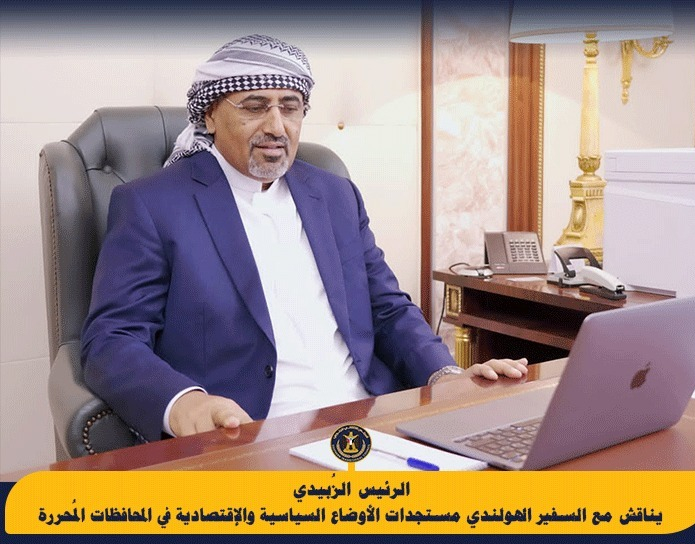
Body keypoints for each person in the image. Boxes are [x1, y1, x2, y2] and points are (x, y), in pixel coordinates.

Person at [81, 34, 528, 443]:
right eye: (255, 106)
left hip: (371, 422)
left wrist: (445, 377)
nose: (277, 126)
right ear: (211, 115)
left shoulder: (334, 195)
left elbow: (387, 308)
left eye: (290, 107)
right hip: (250, 435)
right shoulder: (153, 204)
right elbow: (112, 339)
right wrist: (185, 402)